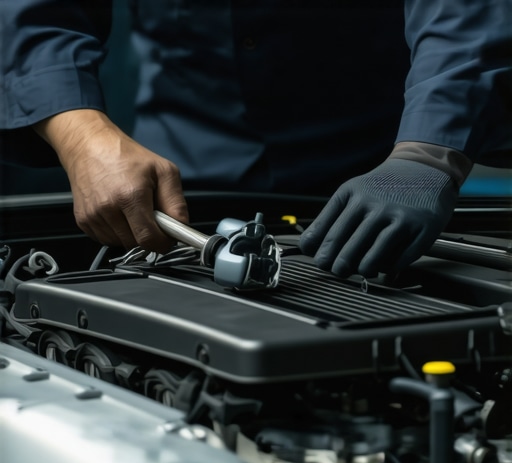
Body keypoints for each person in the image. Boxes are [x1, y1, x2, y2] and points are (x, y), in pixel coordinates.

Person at [1, 1, 511, 278]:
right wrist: (82, 136)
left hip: (381, 179)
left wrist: (428, 152)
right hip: (172, 197)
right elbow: (36, 13)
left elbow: (465, 15)